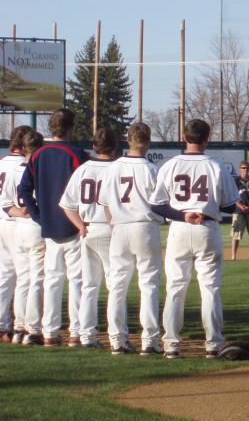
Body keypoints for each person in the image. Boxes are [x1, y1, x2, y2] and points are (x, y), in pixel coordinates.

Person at [149, 118, 239, 359]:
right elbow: (231, 205)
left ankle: (171, 344)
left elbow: (156, 205)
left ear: (184, 138)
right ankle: (213, 344)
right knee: (209, 288)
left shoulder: (169, 165)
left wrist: (181, 214)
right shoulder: (216, 166)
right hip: (207, 227)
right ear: (207, 139)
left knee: (175, 288)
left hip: (179, 227)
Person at [19, 108, 89, 347]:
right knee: (77, 280)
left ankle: (50, 332)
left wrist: (39, 216)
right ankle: (76, 333)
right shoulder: (77, 154)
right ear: (70, 128)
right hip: (74, 225)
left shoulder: (38, 154)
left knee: (52, 280)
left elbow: (24, 189)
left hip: (49, 228)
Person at [98, 122, 164, 356]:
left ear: (128, 141)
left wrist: (115, 222)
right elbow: (162, 204)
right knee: (148, 285)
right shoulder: (152, 169)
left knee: (117, 286)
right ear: (148, 142)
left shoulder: (114, 168)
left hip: (120, 228)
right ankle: (150, 341)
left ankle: (117, 340)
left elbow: (105, 204)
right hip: (145, 227)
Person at [58, 128, 116, 349]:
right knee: (114, 285)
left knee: (89, 286)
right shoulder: (117, 168)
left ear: (94, 146)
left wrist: (80, 226)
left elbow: (66, 205)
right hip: (110, 229)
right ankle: (115, 335)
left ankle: (86, 335)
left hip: (88, 230)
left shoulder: (82, 170)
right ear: (114, 146)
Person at [3, 130, 46, 345]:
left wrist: (20, 212)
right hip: (34, 227)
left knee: (22, 279)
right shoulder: (39, 170)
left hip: (17, 227)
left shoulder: (12, 172)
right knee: (37, 278)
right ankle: (33, 329)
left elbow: (6, 205)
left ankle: (19, 328)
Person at [0, 126, 32, 343]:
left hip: (3, 221)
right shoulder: (24, 166)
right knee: (24, 277)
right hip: (20, 222)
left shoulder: (1, 163)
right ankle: (22, 325)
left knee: (4, 276)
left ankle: (2, 324)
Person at [231, 161, 249, 261]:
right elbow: (232, 196)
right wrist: (241, 206)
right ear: (240, 169)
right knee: (236, 235)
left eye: (247, 168)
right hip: (238, 211)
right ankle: (233, 256)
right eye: (243, 168)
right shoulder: (235, 180)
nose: (245, 170)